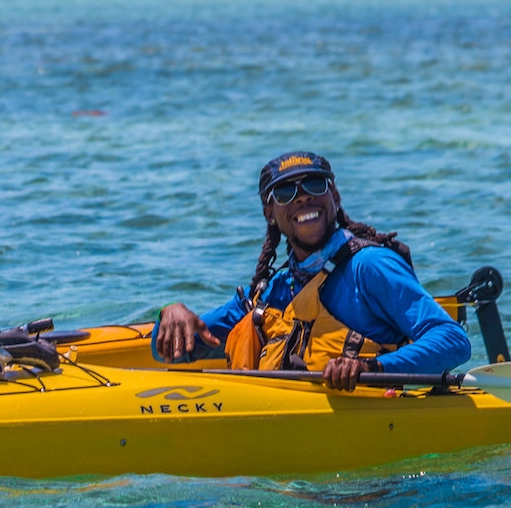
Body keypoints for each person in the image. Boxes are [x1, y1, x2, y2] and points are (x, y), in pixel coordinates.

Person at [153, 151, 471, 390]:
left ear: (334, 196)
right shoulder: (273, 289)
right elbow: (164, 350)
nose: (303, 195)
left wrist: (371, 367)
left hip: (373, 431)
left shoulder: (370, 266)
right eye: (285, 192)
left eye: (314, 184)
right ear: (270, 213)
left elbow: (453, 340)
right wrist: (171, 312)